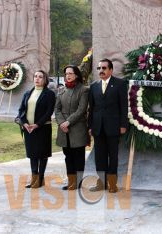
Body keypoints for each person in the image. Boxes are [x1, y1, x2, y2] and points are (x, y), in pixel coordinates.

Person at [88, 58, 128, 193]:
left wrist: (123, 125)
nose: (101, 71)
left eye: (104, 68)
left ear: (111, 70)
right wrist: (90, 126)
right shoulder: (94, 86)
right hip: (98, 127)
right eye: (99, 68)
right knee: (99, 157)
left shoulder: (120, 84)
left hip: (114, 127)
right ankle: (101, 182)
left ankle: (112, 184)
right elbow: (91, 108)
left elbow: (124, 106)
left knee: (113, 156)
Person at [18, 70, 56, 188]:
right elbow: (21, 110)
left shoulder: (49, 94)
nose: (37, 79)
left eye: (40, 77)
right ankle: (34, 179)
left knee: (42, 154)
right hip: (28, 129)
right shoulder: (27, 93)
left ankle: (40, 179)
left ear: (45, 79)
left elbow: (48, 112)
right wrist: (24, 123)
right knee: (32, 154)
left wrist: (37, 124)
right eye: (35, 76)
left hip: (42, 128)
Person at [55, 65, 89, 190]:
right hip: (64, 129)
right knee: (68, 157)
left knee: (78, 157)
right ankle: (71, 182)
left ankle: (78, 183)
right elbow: (57, 109)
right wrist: (61, 123)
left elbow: (81, 110)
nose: (68, 76)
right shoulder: (61, 90)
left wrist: (68, 122)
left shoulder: (83, 90)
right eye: (66, 73)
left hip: (77, 129)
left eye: (70, 73)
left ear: (76, 75)